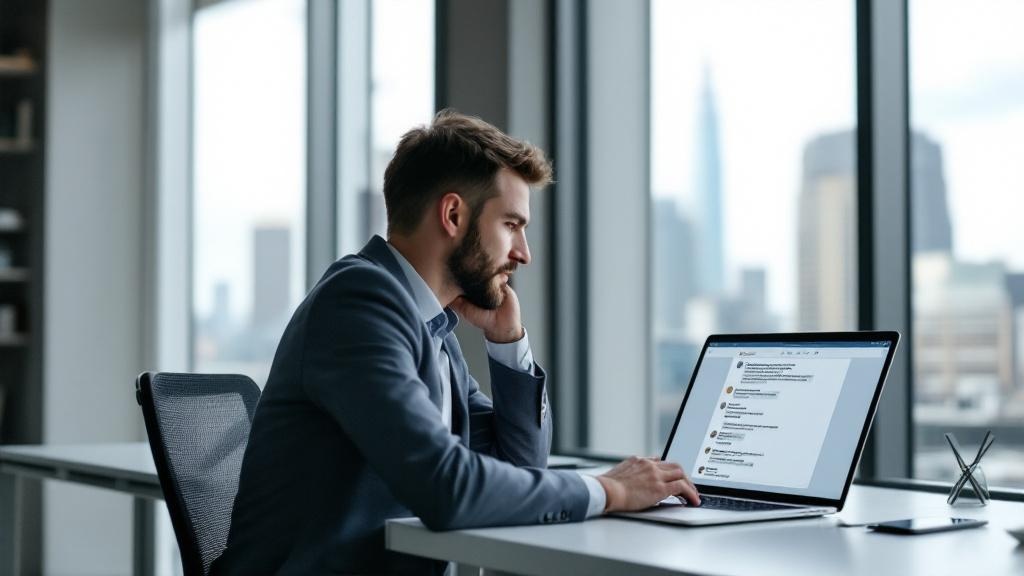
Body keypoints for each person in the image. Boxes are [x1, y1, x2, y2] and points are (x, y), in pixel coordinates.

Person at [212, 110, 699, 575]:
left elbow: (517, 465)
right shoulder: (358, 304)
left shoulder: (430, 326)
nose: (523, 254)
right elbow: (449, 488)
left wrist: (508, 342)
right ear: (453, 215)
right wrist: (606, 490)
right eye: (511, 225)